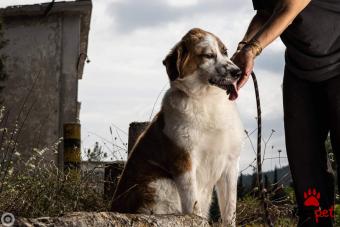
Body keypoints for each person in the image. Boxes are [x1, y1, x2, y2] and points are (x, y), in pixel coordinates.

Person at [232, 0, 340, 226]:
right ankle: (315, 220)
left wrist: (252, 49)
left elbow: (289, 8)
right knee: (304, 163)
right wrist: (243, 48)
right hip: (300, 71)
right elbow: (265, 12)